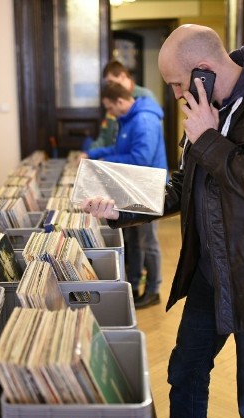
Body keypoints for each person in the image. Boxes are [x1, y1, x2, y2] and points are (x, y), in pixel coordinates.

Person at [82, 24, 244, 418]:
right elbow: (184, 183)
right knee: (184, 374)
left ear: (203, 69)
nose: (175, 94)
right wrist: (122, 206)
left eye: (176, 83)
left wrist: (208, 137)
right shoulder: (206, 106)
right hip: (212, 273)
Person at [83, 82, 167, 309]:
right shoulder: (127, 119)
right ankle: (135, 285)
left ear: (120, 102)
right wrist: (93, 154)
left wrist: (104, 163)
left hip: (147, 189)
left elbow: (141, 158)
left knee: (147, 241)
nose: (110, 113)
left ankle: (153, 290)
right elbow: (120, 151)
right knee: (134, 240)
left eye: (110, 107)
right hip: (132, 187)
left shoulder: (144, 120)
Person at [84, 60, 158, 150]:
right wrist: (89, 153)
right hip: (115, 155)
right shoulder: (112, 99)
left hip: (135, 158)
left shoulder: (144, 96)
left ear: (123, 76)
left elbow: (152, 135)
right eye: (108, 83)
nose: (110, 86)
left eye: (111, 82)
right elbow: (105, 134)